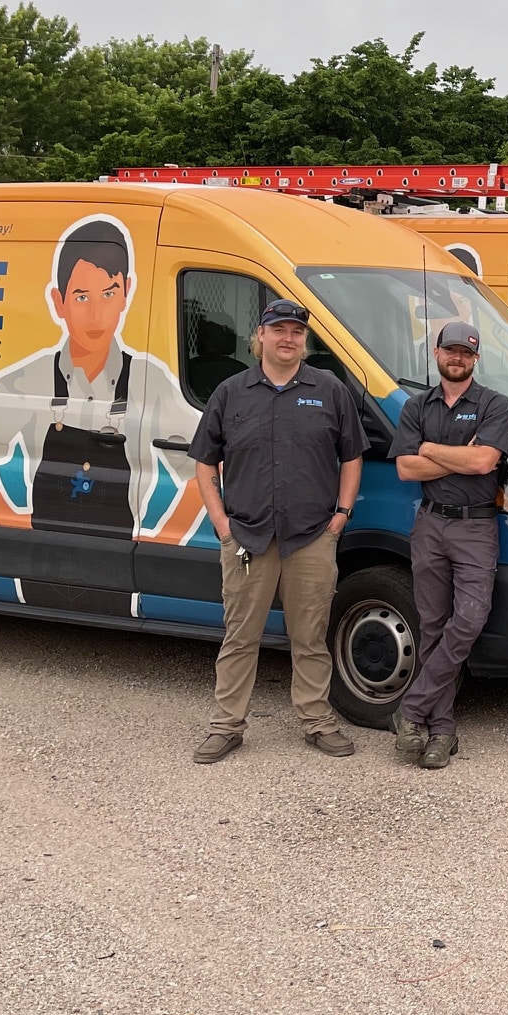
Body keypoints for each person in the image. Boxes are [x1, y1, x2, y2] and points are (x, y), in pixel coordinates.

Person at [0, 215, 206, 581]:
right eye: (81, 296)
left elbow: (199, 469)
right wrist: (3, 517)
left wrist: (164, 534)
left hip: (119, 566)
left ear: (127, 292)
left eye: (108, 293)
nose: (96, 313)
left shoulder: (152, 381)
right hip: (43, 565)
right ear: (58, 302)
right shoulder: (28, 377)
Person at [189, 299, 365, 764]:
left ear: (305, 342)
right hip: (247, 536)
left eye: (297, 332)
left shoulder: (329, 391)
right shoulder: (230, 393)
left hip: (310, 536)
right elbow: (205, 462)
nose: (289, 339)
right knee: (240, 637)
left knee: (311, 635)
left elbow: (352, 456)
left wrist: (341, 515)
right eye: (279, 330)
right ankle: (226, 726)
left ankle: (316, 720)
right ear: (260, 337)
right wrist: (222, 525)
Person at [389, 321, 508, 769]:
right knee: (432, 625)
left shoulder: (495, 404)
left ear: (475, 359)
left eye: (466, 352)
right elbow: (405, 469)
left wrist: (428, 449)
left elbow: (485, 461)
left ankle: (411, 706)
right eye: (451, 351)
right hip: (430, 525)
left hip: (476, 527)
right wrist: (454, 455)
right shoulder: (415, 406)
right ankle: (440, 730)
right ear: (437, 354)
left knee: (470, 619)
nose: (457, 358)